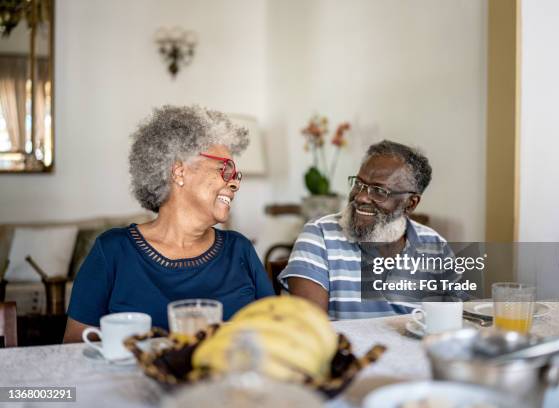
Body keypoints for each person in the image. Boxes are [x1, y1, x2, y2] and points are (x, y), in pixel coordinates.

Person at [64, 106, 274, 342]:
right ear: (179, 171)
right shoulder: (113, 251)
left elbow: (276, 333)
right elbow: (74, 350)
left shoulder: (240, 249)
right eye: (224, 169)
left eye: (236, 175)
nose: (234, 183)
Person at [279, 140, 454, 320]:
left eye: (379, 191)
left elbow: (455, 320)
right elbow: (309, 327)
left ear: (410, 204)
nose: (361, 197)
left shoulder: (435, 246)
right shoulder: (319, 235)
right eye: (359, 184)